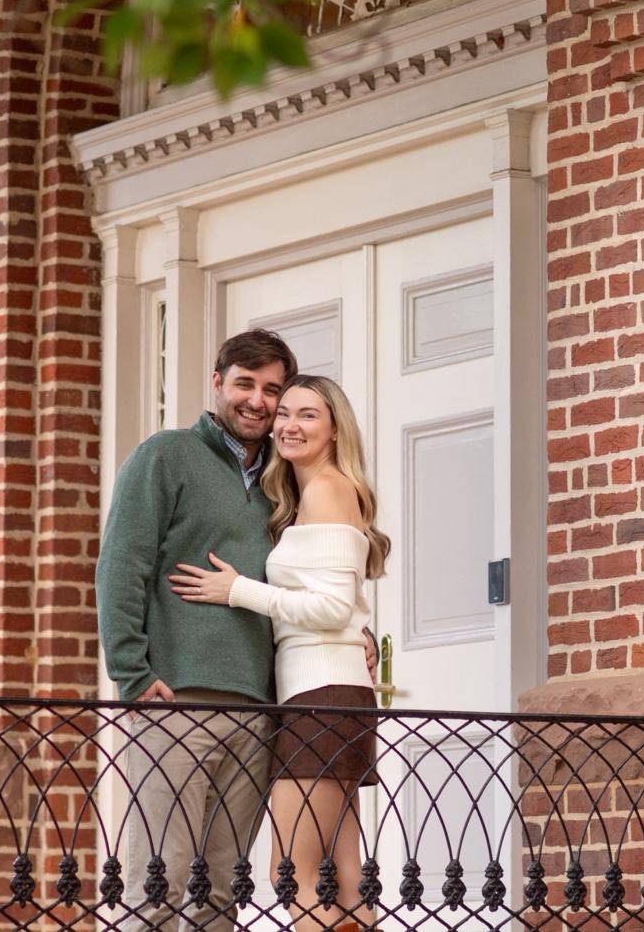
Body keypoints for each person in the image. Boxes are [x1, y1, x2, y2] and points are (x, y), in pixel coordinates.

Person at [98, 332, 378, 932]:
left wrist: (355, 636)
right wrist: (131, 673)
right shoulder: (166, 456)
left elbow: (324, 579)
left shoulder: (285, 485)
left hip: (263, 711)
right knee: (159, 882)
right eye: (244, 384)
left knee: (221, 892)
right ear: (217, 382)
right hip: (176, 699)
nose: (257, 401)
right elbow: (122, 563)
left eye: (272, 390)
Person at [170, 375, 390, 932]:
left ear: (335, 429)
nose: (290, 425)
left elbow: (331, 608)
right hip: (332, 697)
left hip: (322, 701)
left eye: (308, 415)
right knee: (342, 878)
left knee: (291, 874)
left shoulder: (327, 490)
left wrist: (237, 590)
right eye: (284, 413)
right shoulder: (310, 495)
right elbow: (340, 605)